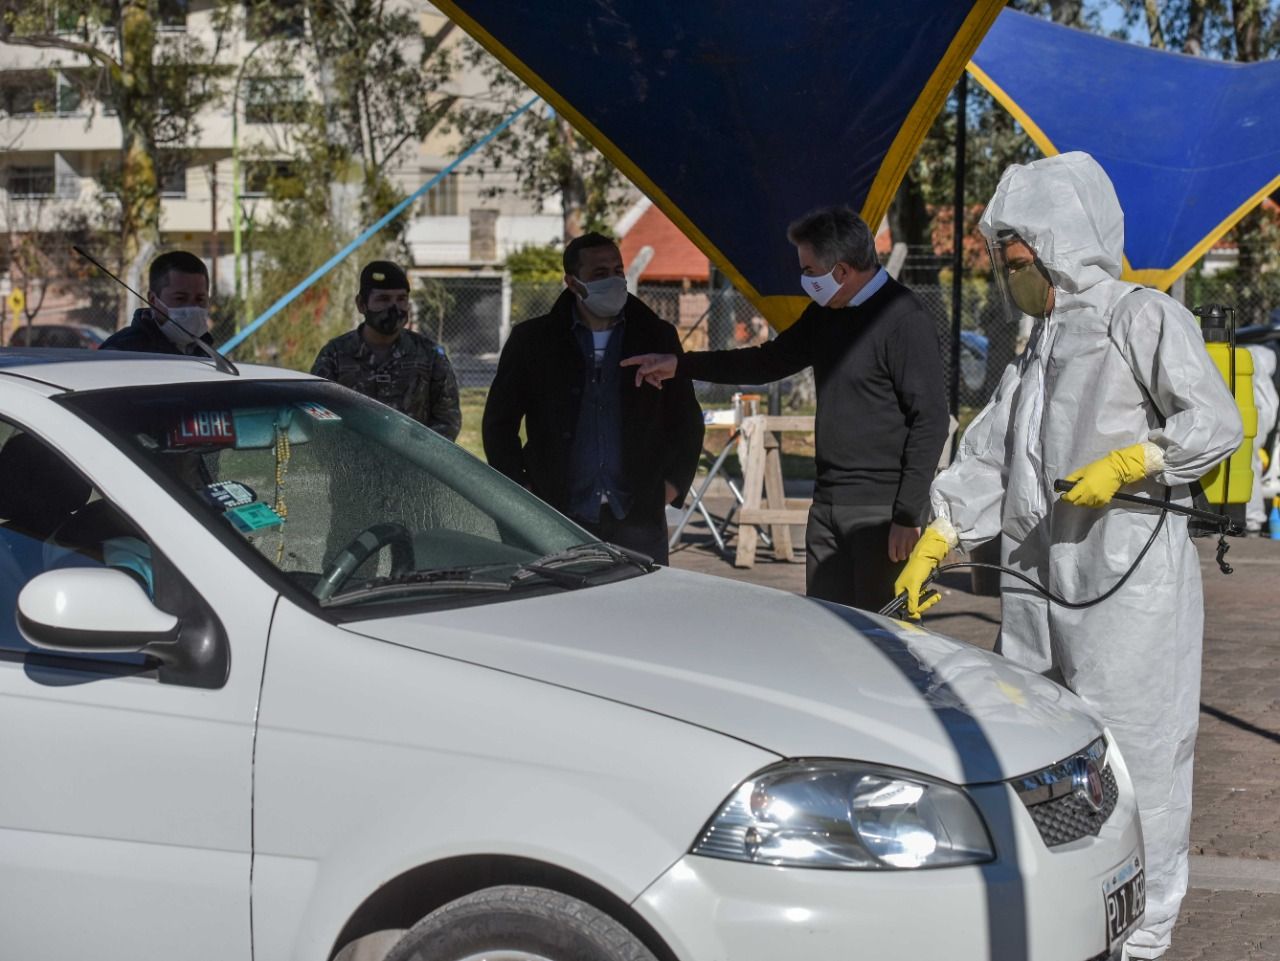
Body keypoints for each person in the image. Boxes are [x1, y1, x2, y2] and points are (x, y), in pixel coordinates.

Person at [894, 152, 1243, 960]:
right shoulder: (1037, 342)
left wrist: (1135, 460)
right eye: (1006, 261)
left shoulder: (1140, 317)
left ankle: (1143, 934)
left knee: (1140, 757)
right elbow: (991, 454)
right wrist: (941, 534)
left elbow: (1214, 421)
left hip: (1127, 586)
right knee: (1037, 746)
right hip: (1037, 580)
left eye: (1021, 259)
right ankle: (1067, 911)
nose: (1012, 275)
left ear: (1065, 243)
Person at [622, 206, 949, 608]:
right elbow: (767, 362)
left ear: (842, 271)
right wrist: (680, 365)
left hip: (880, 512)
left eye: (810, 270)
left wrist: (907, 514)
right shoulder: (826, 314)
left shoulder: (903, 318)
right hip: (828, 504)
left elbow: (930, 419)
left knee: (881, 632)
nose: (804, 280)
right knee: (827, 626)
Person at [482, 232, 704, 563]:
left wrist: (671, 486)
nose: (613, 280)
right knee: (557, 597)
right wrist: (522, 491)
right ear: (573, 283)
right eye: (600, 274)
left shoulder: (656, 335)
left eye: (618, 270)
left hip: (638, 519)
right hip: (556, 516)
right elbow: (499, 424)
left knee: (642, 597)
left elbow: (686, 418)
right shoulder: (533, 340)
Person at [311, 261, 461, 441]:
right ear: (361, 304)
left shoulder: (430, 355)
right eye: (383, 299)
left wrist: (417, 450)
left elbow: (447, 420)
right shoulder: (335, 354)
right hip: (351, 455)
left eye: (401, 299)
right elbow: (316, 415)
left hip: (411, 456)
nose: (394, 308)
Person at [100, 250, 215, 355]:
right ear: (153, 300)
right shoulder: (121, 351)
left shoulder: (205, 350)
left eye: (200, 299)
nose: (192, 308)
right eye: (180, 298)